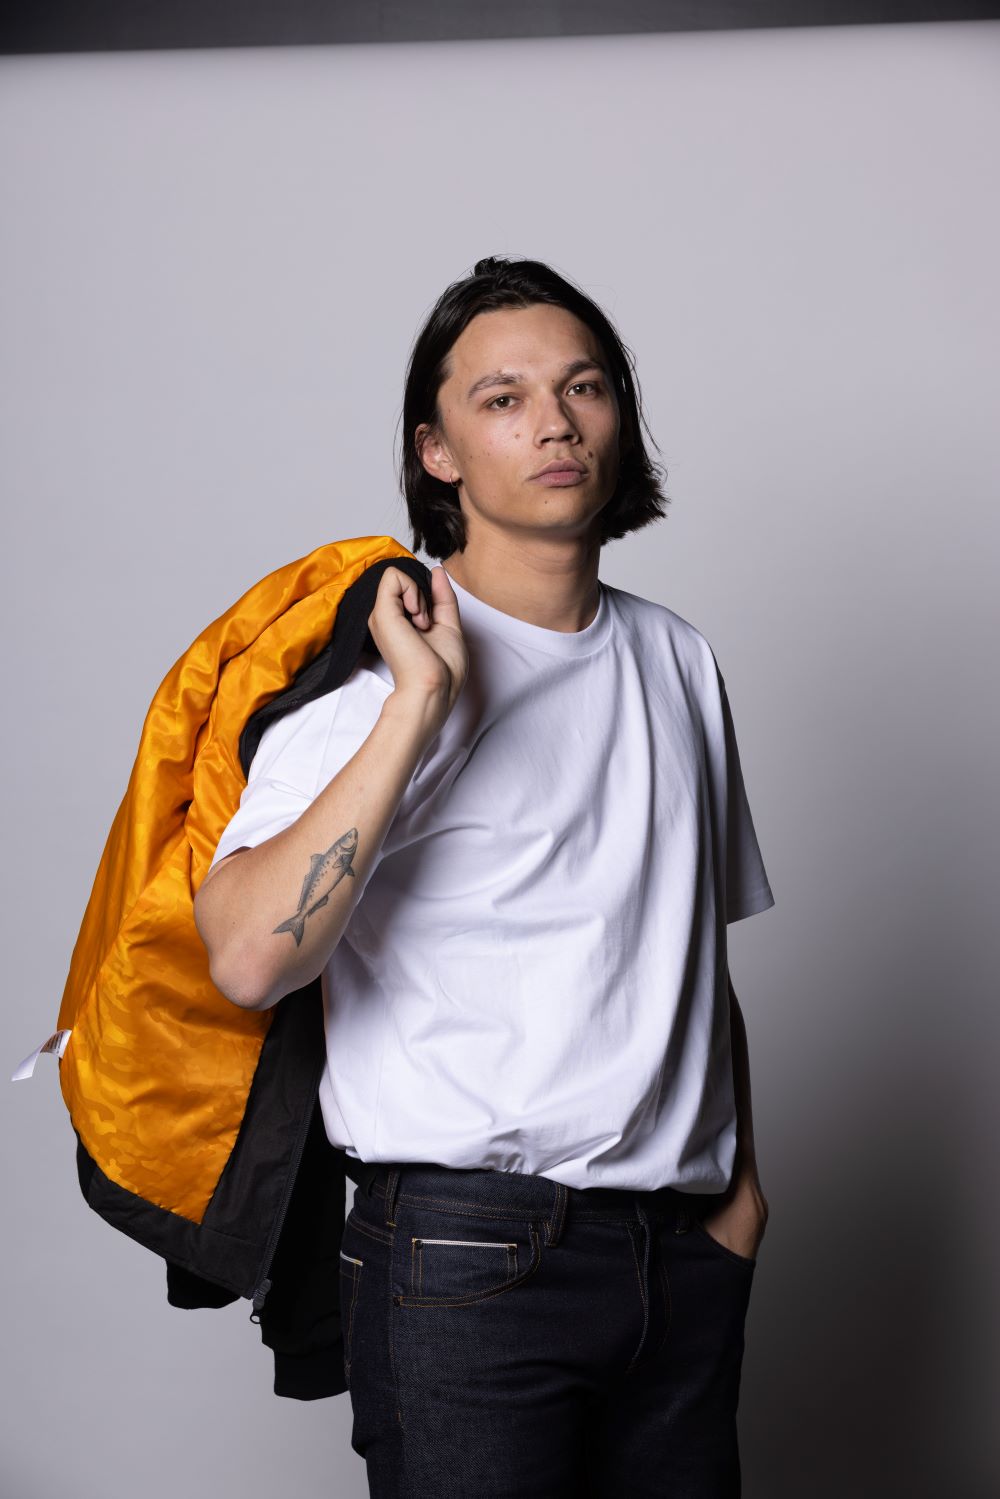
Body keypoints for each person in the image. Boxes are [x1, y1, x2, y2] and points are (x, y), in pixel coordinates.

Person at [194, 255, 775, 1497]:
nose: (554, 422)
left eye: (583, 387)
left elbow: (691, 954)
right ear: (438, 450)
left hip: (678, 1253)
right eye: (502, 398)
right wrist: (418, 704)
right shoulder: (371, 677)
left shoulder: (677, 657)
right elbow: (246, 957)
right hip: (467, 1254)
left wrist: (739, 1193)